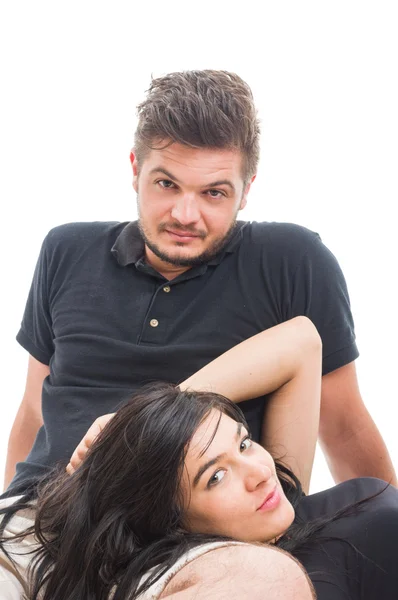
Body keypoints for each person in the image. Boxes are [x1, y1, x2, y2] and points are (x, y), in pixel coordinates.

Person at [3, 68, 396, 498]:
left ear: (246, 190)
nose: (185, 215)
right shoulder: (65, 249)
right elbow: (34, 409)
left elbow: (341, 423)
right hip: (47, 512)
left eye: (214, 193)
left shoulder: (293, 261)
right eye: (167, 184)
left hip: (191, 527)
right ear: (135, 171)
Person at [0, 318, 397, 599]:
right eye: (215, 477)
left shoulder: (280, 505)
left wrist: (157, 416)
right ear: (171, 523)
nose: (260, 471)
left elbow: (303, 341)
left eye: (243, 444)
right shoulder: (229, 576)